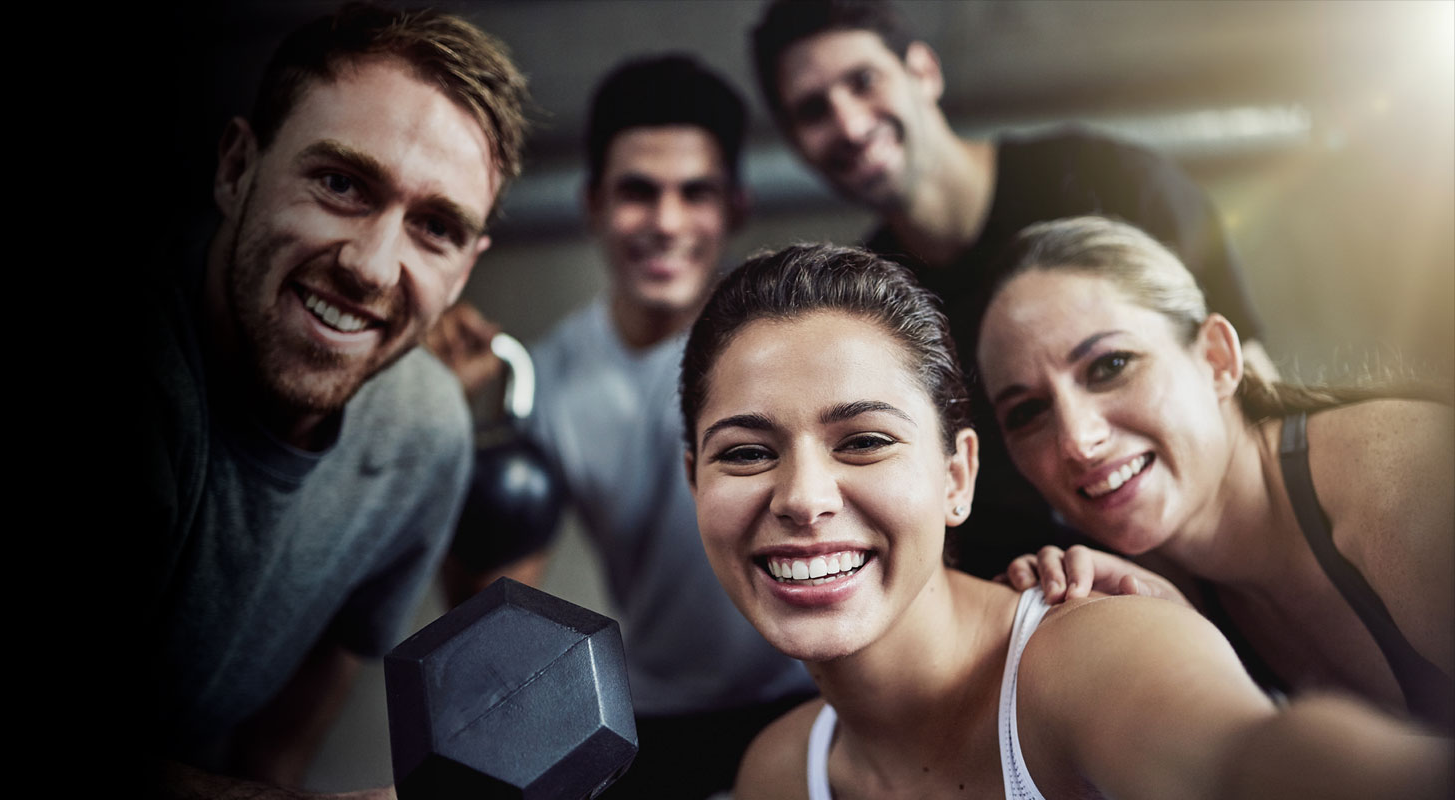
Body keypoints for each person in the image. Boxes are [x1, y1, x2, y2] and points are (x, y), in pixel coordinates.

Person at [677, 241, 1451, 800]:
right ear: (692, 480)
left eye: (867, 441)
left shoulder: (1096, 648)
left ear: (958, 476)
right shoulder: (778, 772)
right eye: (745, 454)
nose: (803, 498)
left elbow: (1241, 759)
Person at [138, 3, 530, 796]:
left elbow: (281, 743)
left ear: (467, 266)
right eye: (341, 183)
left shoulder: (425, 430)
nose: (374, 268)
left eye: (436, 228)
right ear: (236, 168)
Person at [749, 0, 1276, 580]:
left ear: (923, 71)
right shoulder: (869, 302)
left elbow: (1256, 396)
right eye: (813, 110)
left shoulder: (1112, 182)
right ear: (797, 144)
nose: (848, 124)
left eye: (863, 81)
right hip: (1065, 603)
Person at [426, 55, 817, 799]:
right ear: (594, 203)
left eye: (694, 193)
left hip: (812, 693)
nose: (666, 223)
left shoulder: (792, 340)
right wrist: (472, 433)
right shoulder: (547, 379)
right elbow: (490, 610)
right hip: (653, 719)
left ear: (734, 207)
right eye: (638, 192)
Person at [976, 215, 1454, 733]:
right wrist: (1192, 653)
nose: (1075, 440)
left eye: (1110, 366)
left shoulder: (1402, 475)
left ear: (1218, 359)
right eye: (1026, 412)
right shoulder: (1138, 588)